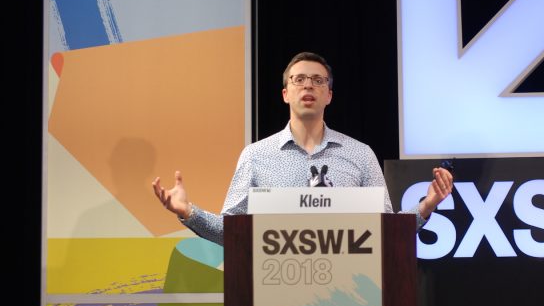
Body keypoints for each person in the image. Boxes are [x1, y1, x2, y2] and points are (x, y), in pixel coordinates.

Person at [152, 51, 453, 245]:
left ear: (329, 95)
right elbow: (234, 233)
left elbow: (387, 233)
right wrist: (188, 212)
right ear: (285, 94)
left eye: (317, 80)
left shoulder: (360, 154)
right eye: (299, 80)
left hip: (351, 297)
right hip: (278, 302)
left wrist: (425, 206)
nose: (308, 86)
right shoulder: (256, 156)